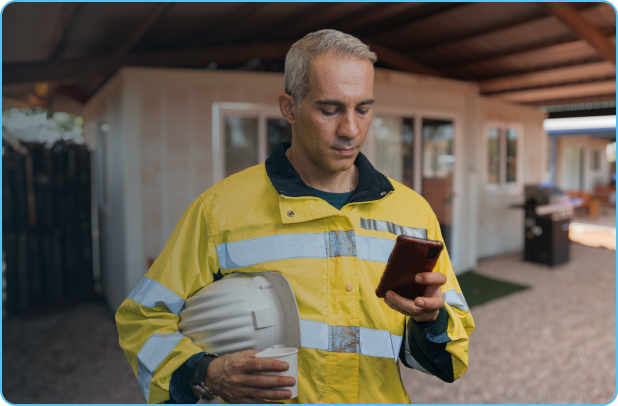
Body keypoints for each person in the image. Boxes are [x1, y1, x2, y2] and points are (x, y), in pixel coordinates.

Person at [116, 29, 474, 404]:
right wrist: (206, 373)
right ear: (289, 108)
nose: (351, 130)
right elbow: (142, 319)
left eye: (363, 109)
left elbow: (449, 357)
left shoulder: (412, 212)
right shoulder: (218, 210)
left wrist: (429, 322)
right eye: (329, 109)